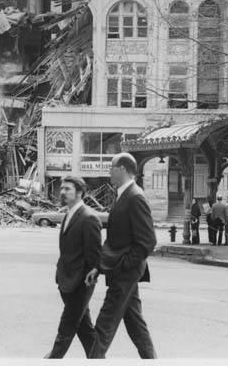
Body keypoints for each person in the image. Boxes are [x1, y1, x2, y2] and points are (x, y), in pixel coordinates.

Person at [84, 153, 157, 359]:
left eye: (111, 167)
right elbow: (116, 240)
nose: (109, 172)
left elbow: (147, 242)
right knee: (135, 323)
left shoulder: (135, 196)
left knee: (105, 323)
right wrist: (99, 267)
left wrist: (125, 265)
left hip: (125, 272)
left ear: (122, 169)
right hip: (122, 269)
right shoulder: (124, 194)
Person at [44, 176, 102, 358]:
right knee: (86, 331)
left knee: (66, 328)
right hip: (65, 281)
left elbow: (95, 256)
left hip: (80, 284)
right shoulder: (68, 214)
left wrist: (91, 276)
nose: (62, 192)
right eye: (62, 189)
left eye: (67, 189)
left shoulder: (89, 217)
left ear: (80, 193)